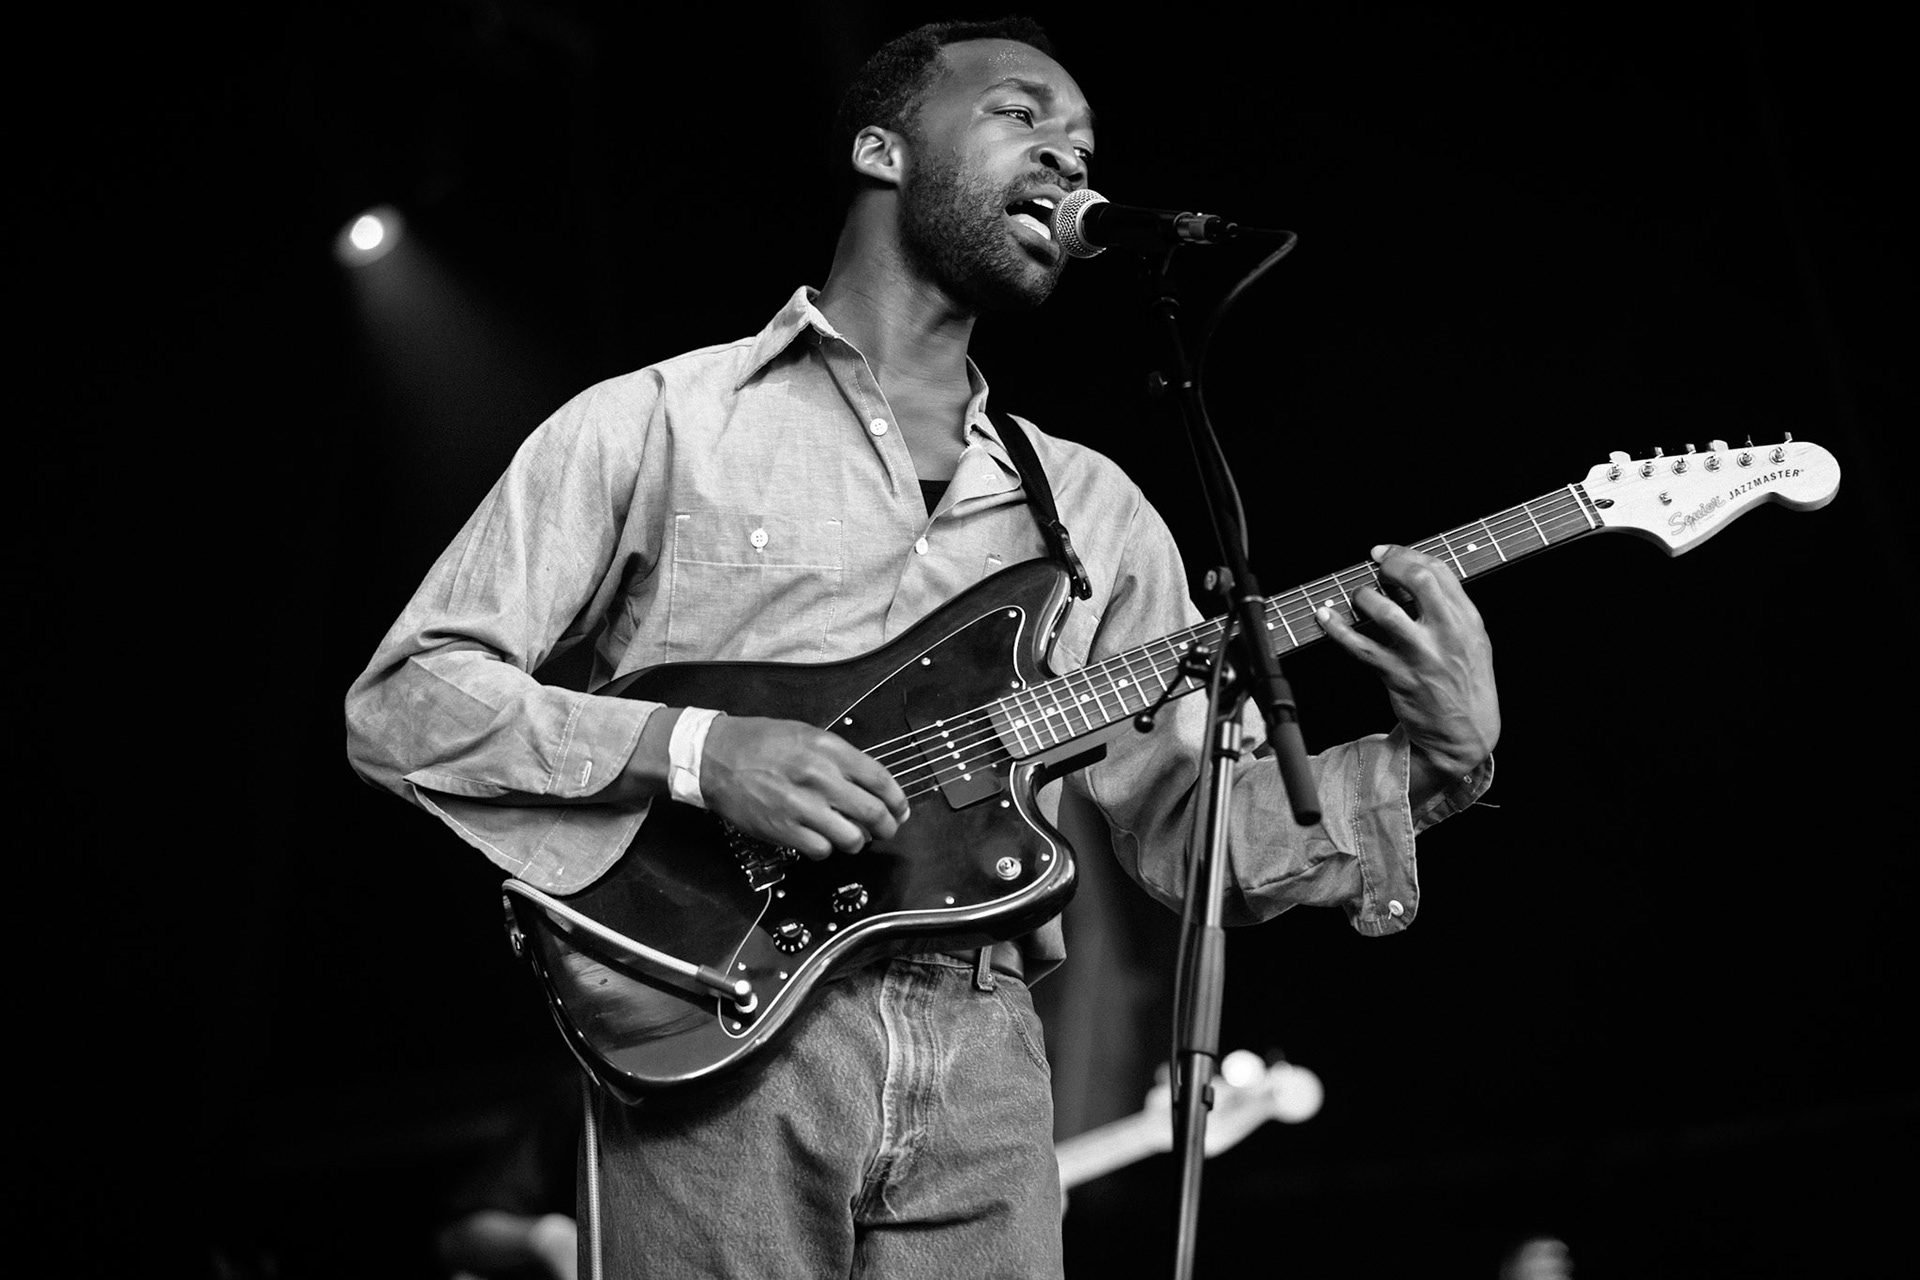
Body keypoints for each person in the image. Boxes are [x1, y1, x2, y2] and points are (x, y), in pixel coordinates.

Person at [344, 16, 1498, 1279]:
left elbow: (1193, 829)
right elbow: (408, 699)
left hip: (988, 1048)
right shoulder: (659, 423)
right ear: (881, 148)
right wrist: (698, 751)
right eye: (1023, 114)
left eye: (1087, 140)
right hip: (721, 1024)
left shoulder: (1093, 507)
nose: (1068, 154)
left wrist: (1437, 762)